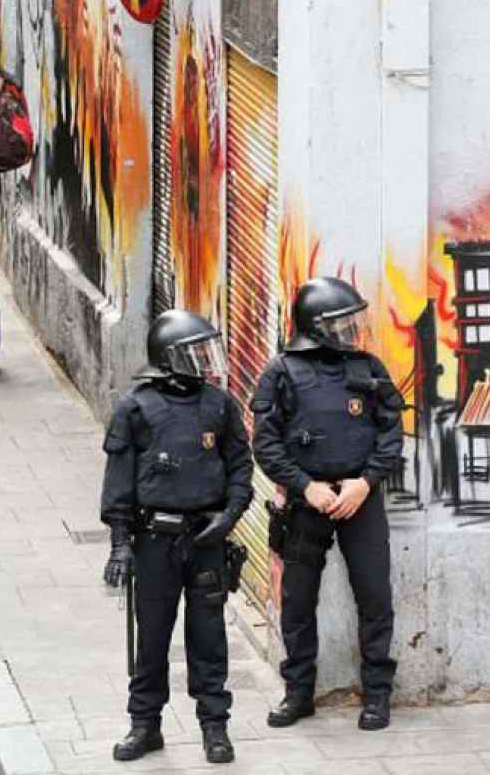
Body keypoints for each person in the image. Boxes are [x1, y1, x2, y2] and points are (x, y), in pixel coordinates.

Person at [101, 310, 252, 765]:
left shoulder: (219, 405)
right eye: (195, 354)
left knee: (209, 638)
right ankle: (145, 725)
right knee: (152, 638)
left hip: (206, 540)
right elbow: (118, 481)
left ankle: (215, 729)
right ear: (169, 358)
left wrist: (228, 517)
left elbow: (241, 467)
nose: (205, 362)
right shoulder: (135, 407)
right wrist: (120, 542)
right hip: (154, 542)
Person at [253, 277, 403, 732]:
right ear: (317, 328)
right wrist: (305, 486)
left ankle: (377, 695)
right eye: (342, 322)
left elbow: (391, 433)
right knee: (297, 601)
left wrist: (365, 482)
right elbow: (266, 443)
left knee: (375, 597)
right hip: (307, 504)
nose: (353, 329)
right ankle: (298, 693)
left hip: (361, 499)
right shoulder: (281, 371)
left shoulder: (368, 367)